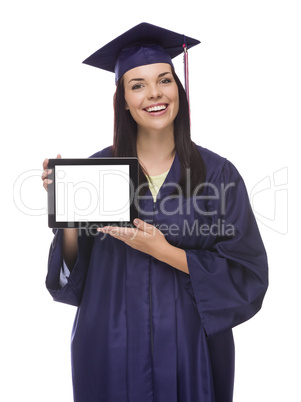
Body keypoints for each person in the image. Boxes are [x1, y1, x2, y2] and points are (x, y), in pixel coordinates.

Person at [42, 22, 268, 402]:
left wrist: (165, 252)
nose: (154, 94)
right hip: (110, 347)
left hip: (191, 349)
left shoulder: (217, 174)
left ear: (178, 89)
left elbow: (248, 274)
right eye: (138, 85)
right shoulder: (98, 172)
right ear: (124, 101)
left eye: (164, 80)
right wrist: (64, 211)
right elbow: (73, 277)